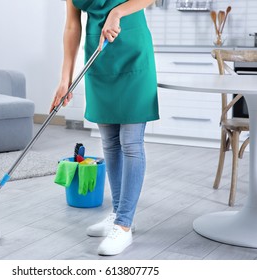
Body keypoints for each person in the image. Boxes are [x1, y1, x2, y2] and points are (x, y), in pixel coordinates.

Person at [51, 0, 159, 256]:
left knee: (131, 142)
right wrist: (65, 79)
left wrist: (117, 12)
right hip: (99, 54)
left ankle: (123, 225)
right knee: (109, 142)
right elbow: (71, 26)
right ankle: (118, 213)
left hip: (132, 51)